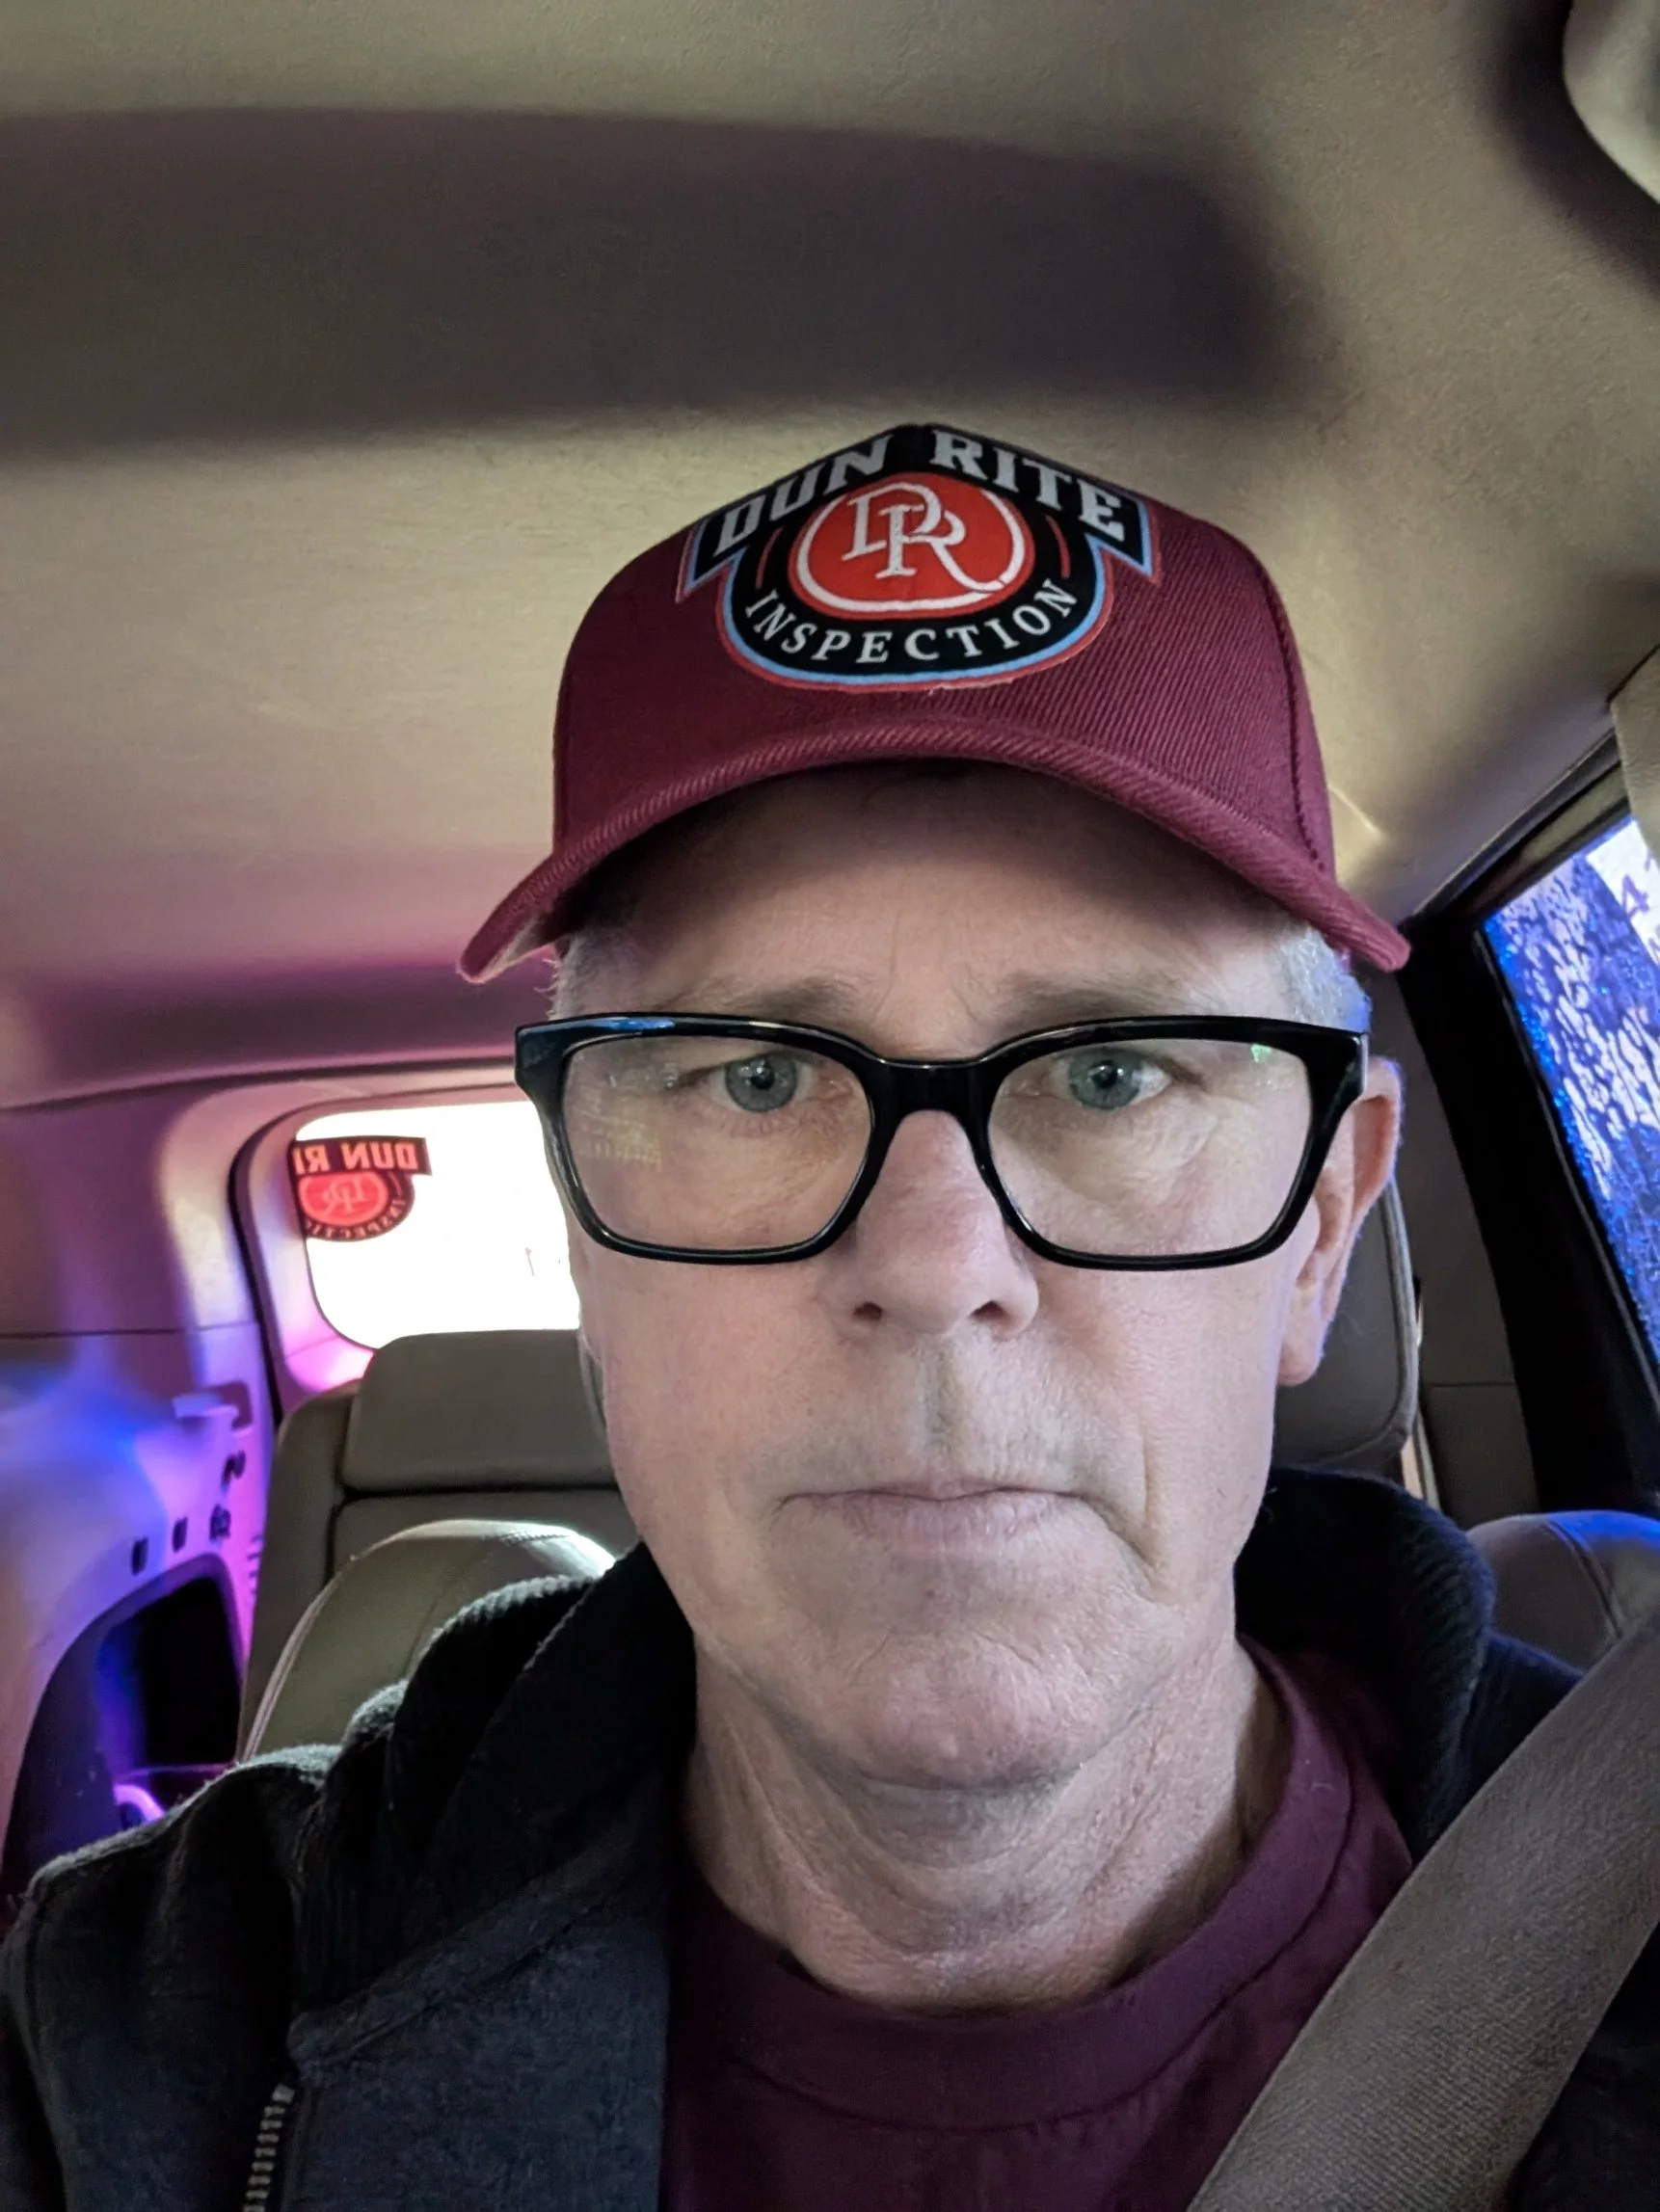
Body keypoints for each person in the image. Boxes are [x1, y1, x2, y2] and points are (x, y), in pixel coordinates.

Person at [2, 424, 1654, 2210]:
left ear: (1320, 1227)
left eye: (1112, 1072)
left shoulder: (1621, 1933)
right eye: (752, 1077)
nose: (933, 1265)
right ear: (582, 1233)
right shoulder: (124, 2029)